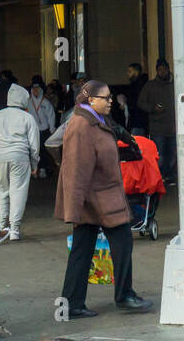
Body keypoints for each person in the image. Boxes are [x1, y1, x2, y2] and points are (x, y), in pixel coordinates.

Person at [56, 80, 153, 318]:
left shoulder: (94, 121)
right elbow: (76, 169)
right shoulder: (81, 125)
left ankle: (73, 303)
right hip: (97, 198)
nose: (111, 101)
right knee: (121, 243)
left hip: (99, 197)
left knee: (82, 250)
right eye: (106, 97)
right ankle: (124, 296)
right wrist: (74, 207)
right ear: (91, 100)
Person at [0, 83, 40, 242]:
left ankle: (0, 227)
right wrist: (34, 164)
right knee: (18, 191)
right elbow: (34, 145)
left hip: (0, 156)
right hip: (20, 156)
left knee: (2, 190)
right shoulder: (27, 117)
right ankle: (14, 229)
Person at [138, 58, 176, 185]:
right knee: (159, 156)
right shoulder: (150, 86)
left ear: (168, 69)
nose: (162, 72)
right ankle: (160, 177)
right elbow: (141, 102)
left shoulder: (175, 84)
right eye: (160, 70)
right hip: (157, 127)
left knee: (172, 155)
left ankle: (169, 176)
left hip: (173, 126)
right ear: (157, 71)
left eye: (164, 69)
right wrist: (153, 108)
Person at [25, 76, 57, 178]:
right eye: (33, 89)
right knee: (33, 150)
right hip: (32, 130)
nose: (35, 91)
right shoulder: (27, 102)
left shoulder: (45, 102)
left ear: (41, 90)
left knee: (43, 151)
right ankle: (34, 169)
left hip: (44, 131)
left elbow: (51, 116)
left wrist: (52, 128)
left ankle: (43, 169)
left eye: (37, 89)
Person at [122, 62, 149, 135]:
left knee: (136, 142)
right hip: (138, 119)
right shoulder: (140, 84)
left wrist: (126, 105)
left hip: (138, 119)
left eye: (130, 71)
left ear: (136, 72)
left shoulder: (138, 85)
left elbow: (135, 101)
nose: (128, 73)